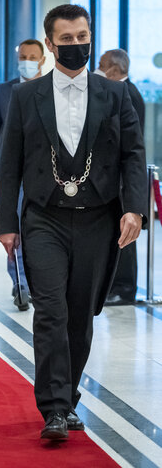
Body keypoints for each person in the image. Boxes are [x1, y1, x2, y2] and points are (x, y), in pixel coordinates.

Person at [0, 4, 146, 440]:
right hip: (44, 218)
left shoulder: (116, 95)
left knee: (80, 316)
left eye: (83, 37)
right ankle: (55, 409)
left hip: (99, 218)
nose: (77, 45)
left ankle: (70, 394)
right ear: (50, 44)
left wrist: (134, 208)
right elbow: (11, 165)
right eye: (67, 39)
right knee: (51, 313)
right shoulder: (25, 96)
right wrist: (7, 222)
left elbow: (134, 154)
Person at [0, 38, 45, 311]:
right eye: (23, 56)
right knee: (13, 228)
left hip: (43, 172)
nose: (27, 61)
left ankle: (40, 281)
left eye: (32, 56)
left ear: (43, 59)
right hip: (10, 171)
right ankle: (20, 283)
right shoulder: (5, 90)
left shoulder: (52, 87)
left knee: (37, 229)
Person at [96, 49, 146, 307]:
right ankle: (115, 284)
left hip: (125, 180)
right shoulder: (118, 92)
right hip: (112, 179)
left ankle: (125, 288)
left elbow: (131, 143)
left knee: (127, 233)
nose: (98, 68)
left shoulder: (129, 94)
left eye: (102, 65)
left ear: (114, 69)